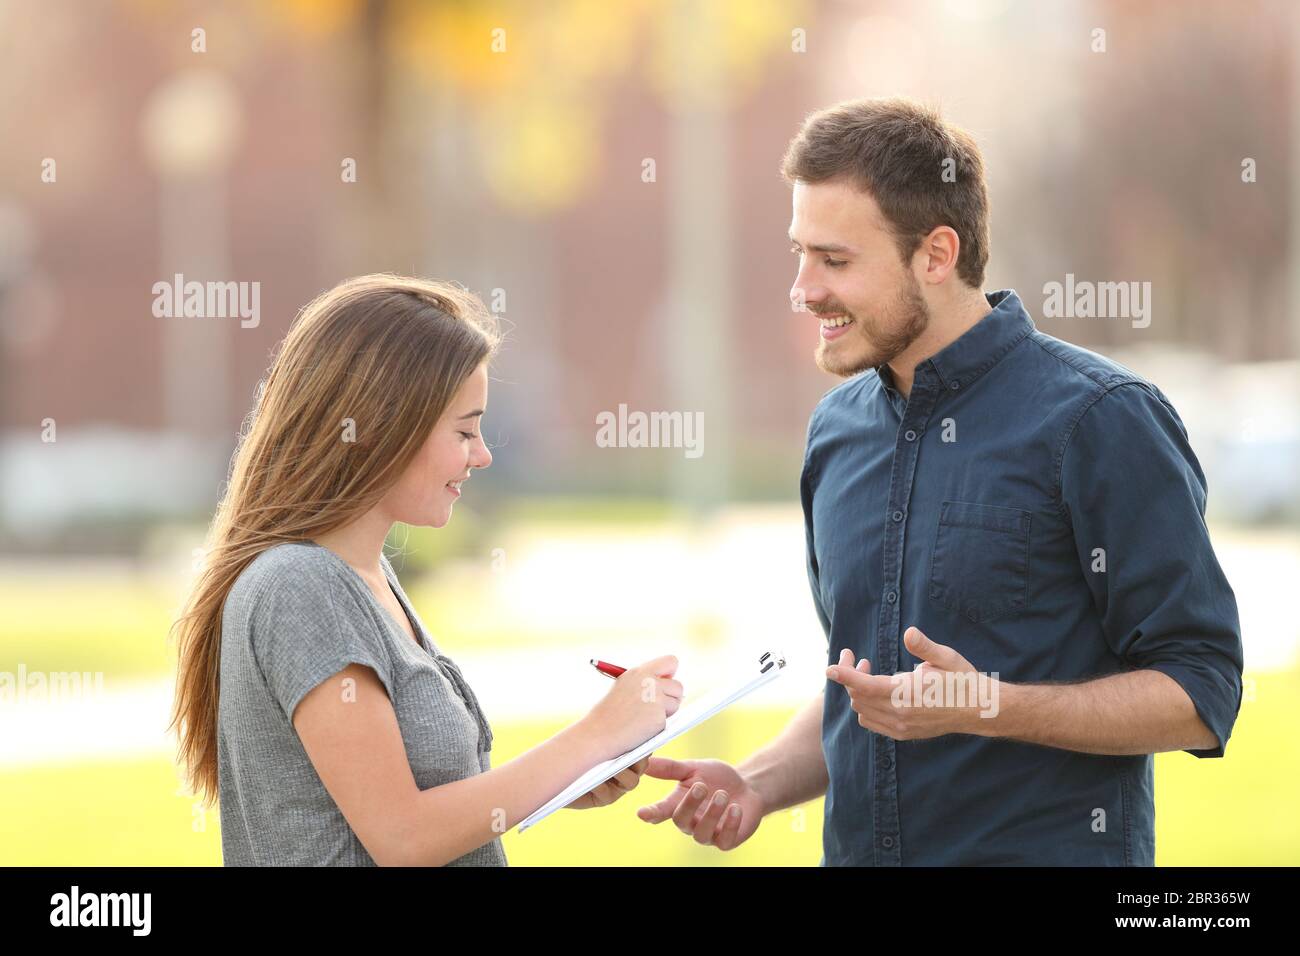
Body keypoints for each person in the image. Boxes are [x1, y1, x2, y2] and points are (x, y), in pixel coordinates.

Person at [637, 98, 1244, 865]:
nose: (803, 288)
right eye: (800, 253)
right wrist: (756, 783)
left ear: (936, 254)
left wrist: (989, 704)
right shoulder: (836, 434)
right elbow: (868, 694)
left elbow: (1202, 690)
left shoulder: (1100, 420)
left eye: (835, 260)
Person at [168, 274, 680, 866]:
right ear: (382, 425)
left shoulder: (364, 577)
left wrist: (569, 776)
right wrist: (593, 736)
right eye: (464, 430)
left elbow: (414, 808)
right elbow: (403, 838)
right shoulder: (300, 587)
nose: (482, 454)